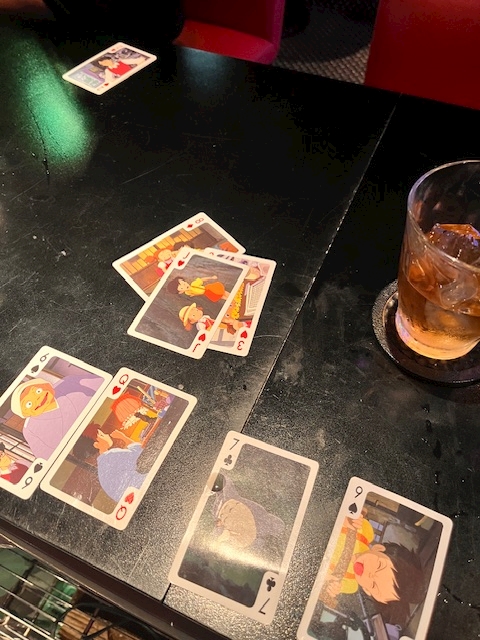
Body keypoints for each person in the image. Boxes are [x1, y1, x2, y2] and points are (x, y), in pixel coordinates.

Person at [10, 374, 104, 460]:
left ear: (46, 385)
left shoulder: (69, 384)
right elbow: (46, 456)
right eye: (29, 404)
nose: (37, 399)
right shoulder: (30, 430)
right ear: (24, 413)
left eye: (38, 391)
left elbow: (102, 382)